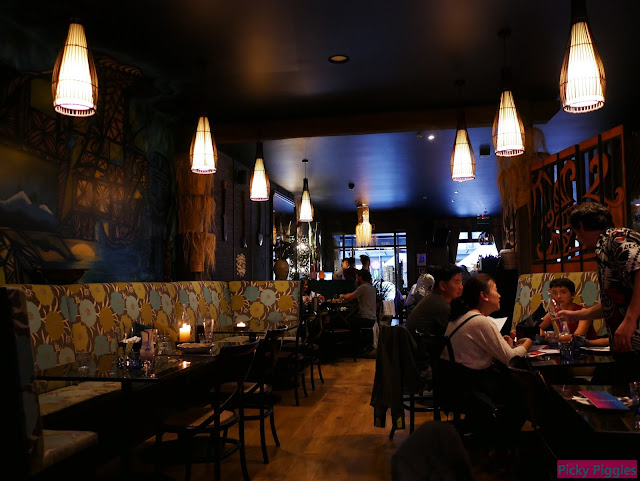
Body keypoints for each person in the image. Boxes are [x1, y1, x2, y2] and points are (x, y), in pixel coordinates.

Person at [441, 274, 532, 452]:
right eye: (496, 290)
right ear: (484, 296)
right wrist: (527, 343)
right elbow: (511, 359)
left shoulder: (463, 317)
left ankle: (488, 435)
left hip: (454, 384)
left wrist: (504, 345)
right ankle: (502, 444)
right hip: (472, 387)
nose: (500, 295)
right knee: (525, 390)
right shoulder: (480, 321)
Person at [556, 202, 640, 352]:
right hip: (625, 344)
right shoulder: (603, 247)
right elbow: (612, 304)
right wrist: (577, 315)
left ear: (581, 226)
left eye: (575, 232)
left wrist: (630, 320)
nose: (578, 239)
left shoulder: (617, 237)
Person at [405, 265, 463, 373]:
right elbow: (457, 335)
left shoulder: (433, 298)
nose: (461, 287)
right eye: (457, 282)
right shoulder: (440, 305)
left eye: (461, 282)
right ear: (442, 285)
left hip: (413, 359)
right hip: (421, 366)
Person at [537, 278, 605, 346]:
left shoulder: (582, 312)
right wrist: (542, 334)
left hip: (587, 349)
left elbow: (576, 338)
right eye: (554, 293)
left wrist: (551, 336)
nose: (558, 296)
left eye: (563, 292)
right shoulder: (555, 313)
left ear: (573, 295)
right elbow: (537, 328)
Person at [340, 269, 377, 356]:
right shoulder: (372, 288)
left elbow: (349, 297)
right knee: (352, 321)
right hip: (372, 318)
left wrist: (342, 296)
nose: (356, 279)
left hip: (366, 318)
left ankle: (355, 349)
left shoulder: (362, 287)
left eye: (357, 277)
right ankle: (360, 348)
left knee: (349, 322)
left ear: (360, 277)